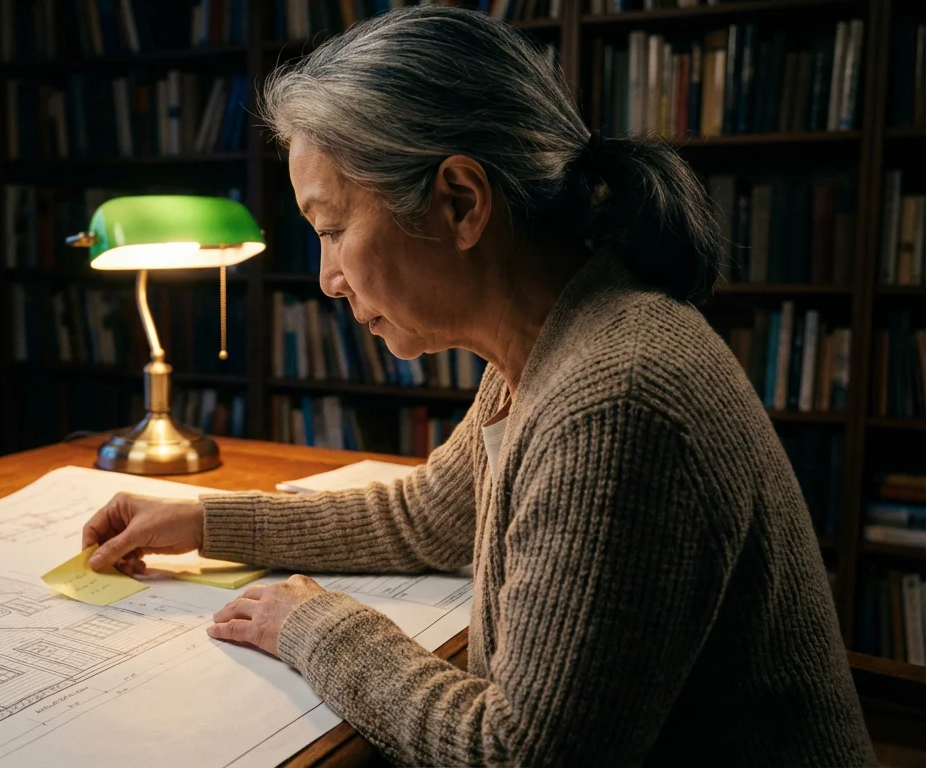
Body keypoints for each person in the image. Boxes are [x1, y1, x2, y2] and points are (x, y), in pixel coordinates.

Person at [80, 6, 874, 765]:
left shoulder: (617, 395)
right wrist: (200, 519)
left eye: (332, 229)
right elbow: (429, 516)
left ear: (461, 202)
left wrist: (316, 627)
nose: (326, 279)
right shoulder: (548, 342)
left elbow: (518, 754)